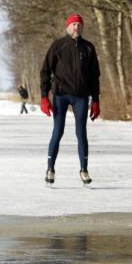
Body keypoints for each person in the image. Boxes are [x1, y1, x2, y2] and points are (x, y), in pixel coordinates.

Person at [39, 13, 100, 185]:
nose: (76, 27)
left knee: (81, 133)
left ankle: (84, 169)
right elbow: (45, 71)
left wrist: (95, 100)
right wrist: (44, 96)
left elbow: (95, 76)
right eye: (73, 24)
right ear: (68, 27)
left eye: (79, 25)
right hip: (60, 95)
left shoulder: (89, 48)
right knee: (58, 131)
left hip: (81, 96)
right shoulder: (58, 45)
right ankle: (50, 169)